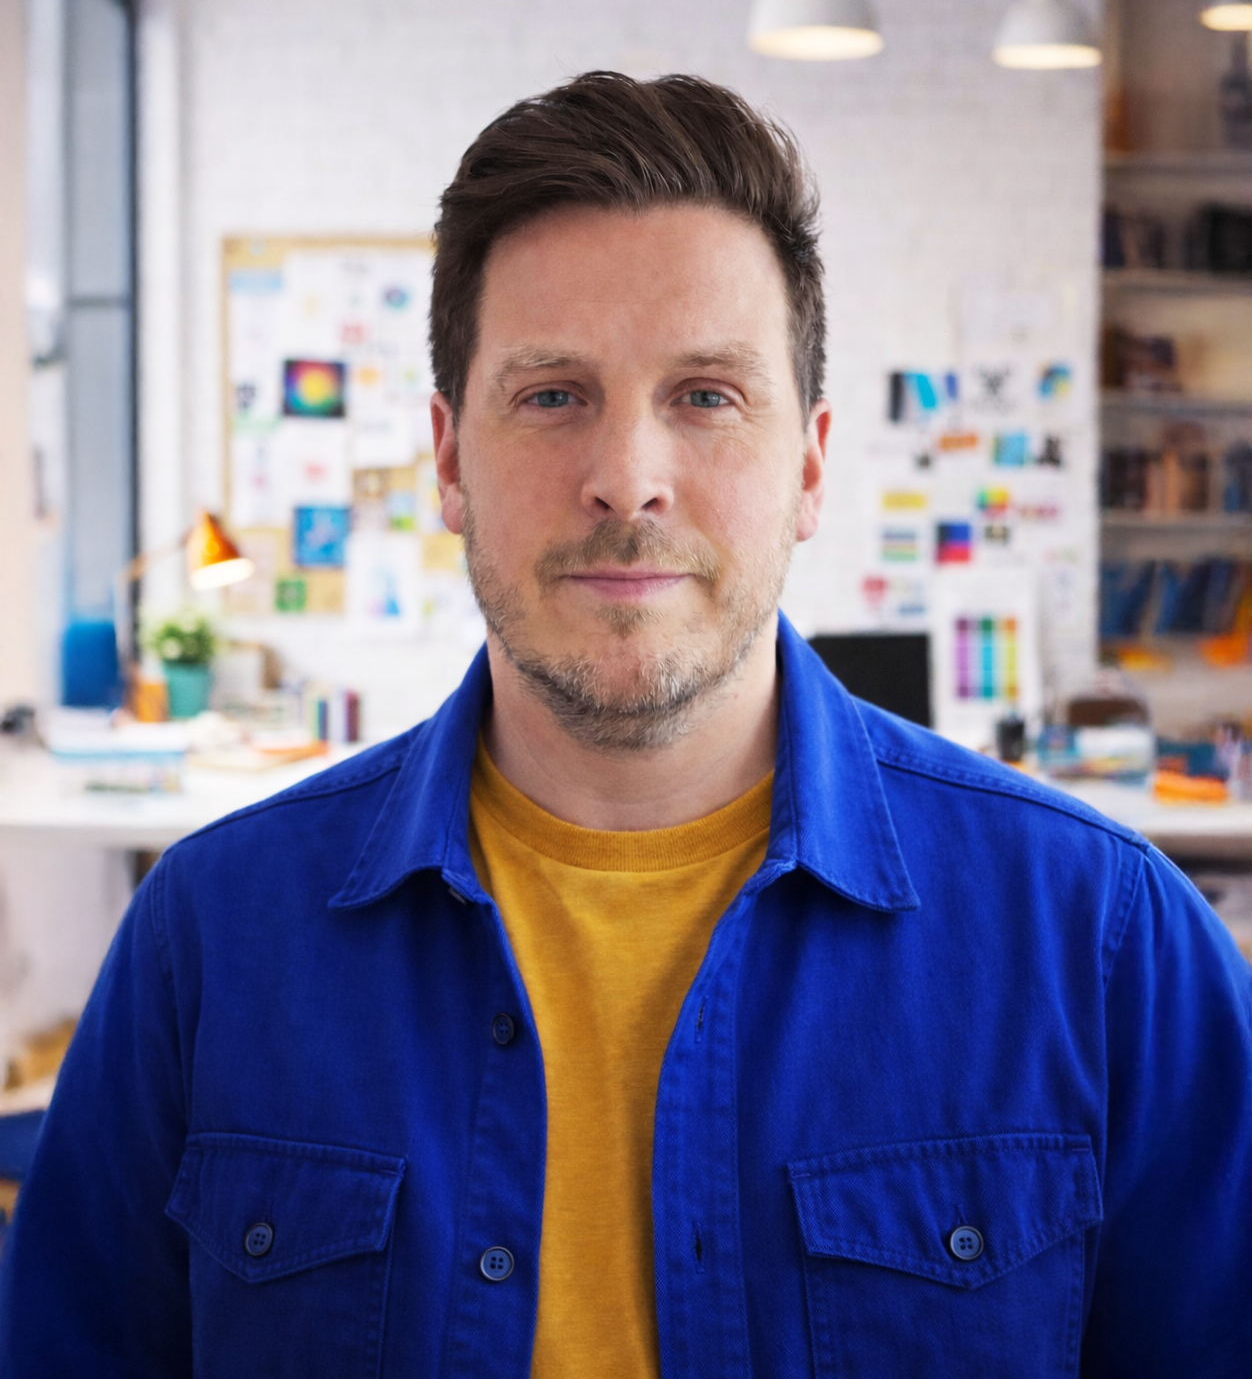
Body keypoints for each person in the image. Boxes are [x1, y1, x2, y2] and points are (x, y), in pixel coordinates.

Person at [3, 72, 1250, 1379]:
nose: (627, 478)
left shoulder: (1108, 946)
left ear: (812, 464)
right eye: (552, 395)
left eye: (707, 394)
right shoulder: (207, 941)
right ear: (448, 459)